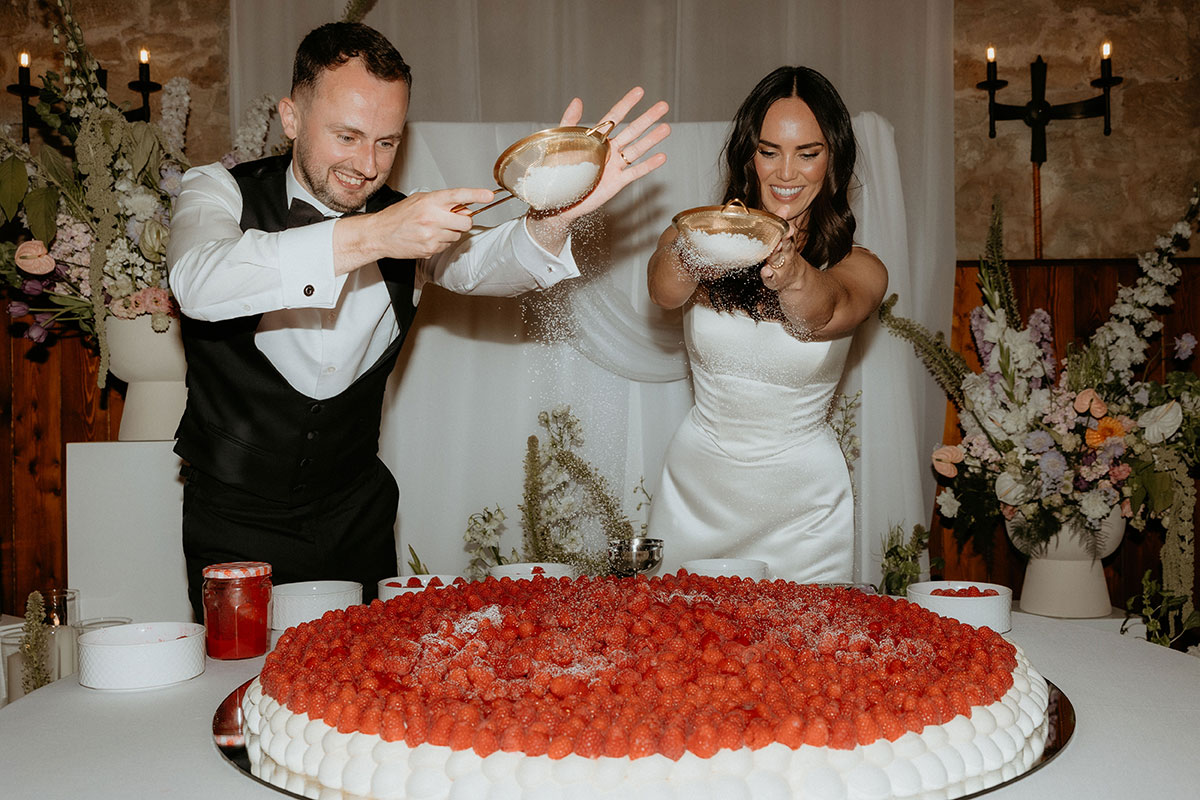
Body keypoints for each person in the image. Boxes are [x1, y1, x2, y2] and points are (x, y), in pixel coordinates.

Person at [167, 21, 670, 620]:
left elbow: (489, 262)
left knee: (363, 696)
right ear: (291, 118)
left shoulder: (408, 216)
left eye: (387, 142)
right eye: (348, 136)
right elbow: (198, 281)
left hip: (356, 515)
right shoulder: (216, 190)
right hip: (234, 519)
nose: (367, 163)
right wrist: (379, 232)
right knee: (240, 692)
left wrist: (558, 218)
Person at [645, 65, 887, 583]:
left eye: (808, 153)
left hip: (802, 506)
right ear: (747, 154)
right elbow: (663, 290)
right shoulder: (698, 232)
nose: (786, 173)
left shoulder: (861, 267)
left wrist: (793, 272)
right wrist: (706, 244)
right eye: (769, 150)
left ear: (834, 159)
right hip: (697, 490)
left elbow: (824, 312)